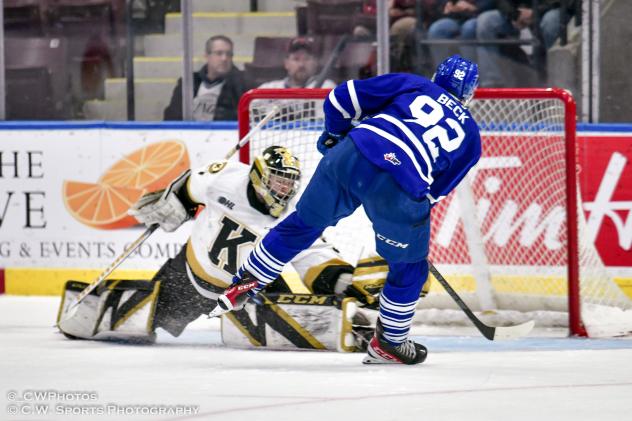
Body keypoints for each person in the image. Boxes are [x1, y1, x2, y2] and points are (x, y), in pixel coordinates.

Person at [211, 55, 481, 365]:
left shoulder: (414, 84)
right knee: (410, 268)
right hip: (403, 187)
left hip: (353, 153)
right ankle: (390, 343)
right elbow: (434, 192)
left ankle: (246, 281)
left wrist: (336, 134)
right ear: (470, 92)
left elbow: (341, 98)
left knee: (302, 225)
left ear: (435, 76)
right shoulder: (472, 138)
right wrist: (405, 233)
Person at [57, 147, 375, 348]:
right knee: (142, 327)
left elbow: (315, 258)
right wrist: (175, 201)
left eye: (289, 183)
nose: (284, 190)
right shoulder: (224, 177)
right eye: (278, 182)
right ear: (259, 178)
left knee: (277, 326)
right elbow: (189, 186)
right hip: (189, 278)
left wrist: (344, 282)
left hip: (251, 289)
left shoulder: (295, 218)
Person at [475, 0, 578, 87]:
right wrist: (513, 13)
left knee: (550, 22)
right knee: (486, 21)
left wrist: (535, 12)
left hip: (548, 10)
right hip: (516, 12)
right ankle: (492, 85)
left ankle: (557, 83)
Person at [163, 35, 247, 121]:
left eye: (229, 54)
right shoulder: (189, 82)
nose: (224, 58)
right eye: (219, 53)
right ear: (206, 56)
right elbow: (172, 116)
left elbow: (246, 118)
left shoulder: (242, 84)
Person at [427, 1, 494, 66]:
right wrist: (447, 5)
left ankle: (469, 73)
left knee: (468, 28)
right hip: (456, 16)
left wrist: (474, 7)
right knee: (436, 30)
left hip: (478, 14)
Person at [257, 37, 336, 89]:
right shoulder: (269, 89)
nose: (301, 64)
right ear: (286, 63)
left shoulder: (326, 88)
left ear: (315, 63)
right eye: (296, 59)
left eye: (307, 59)